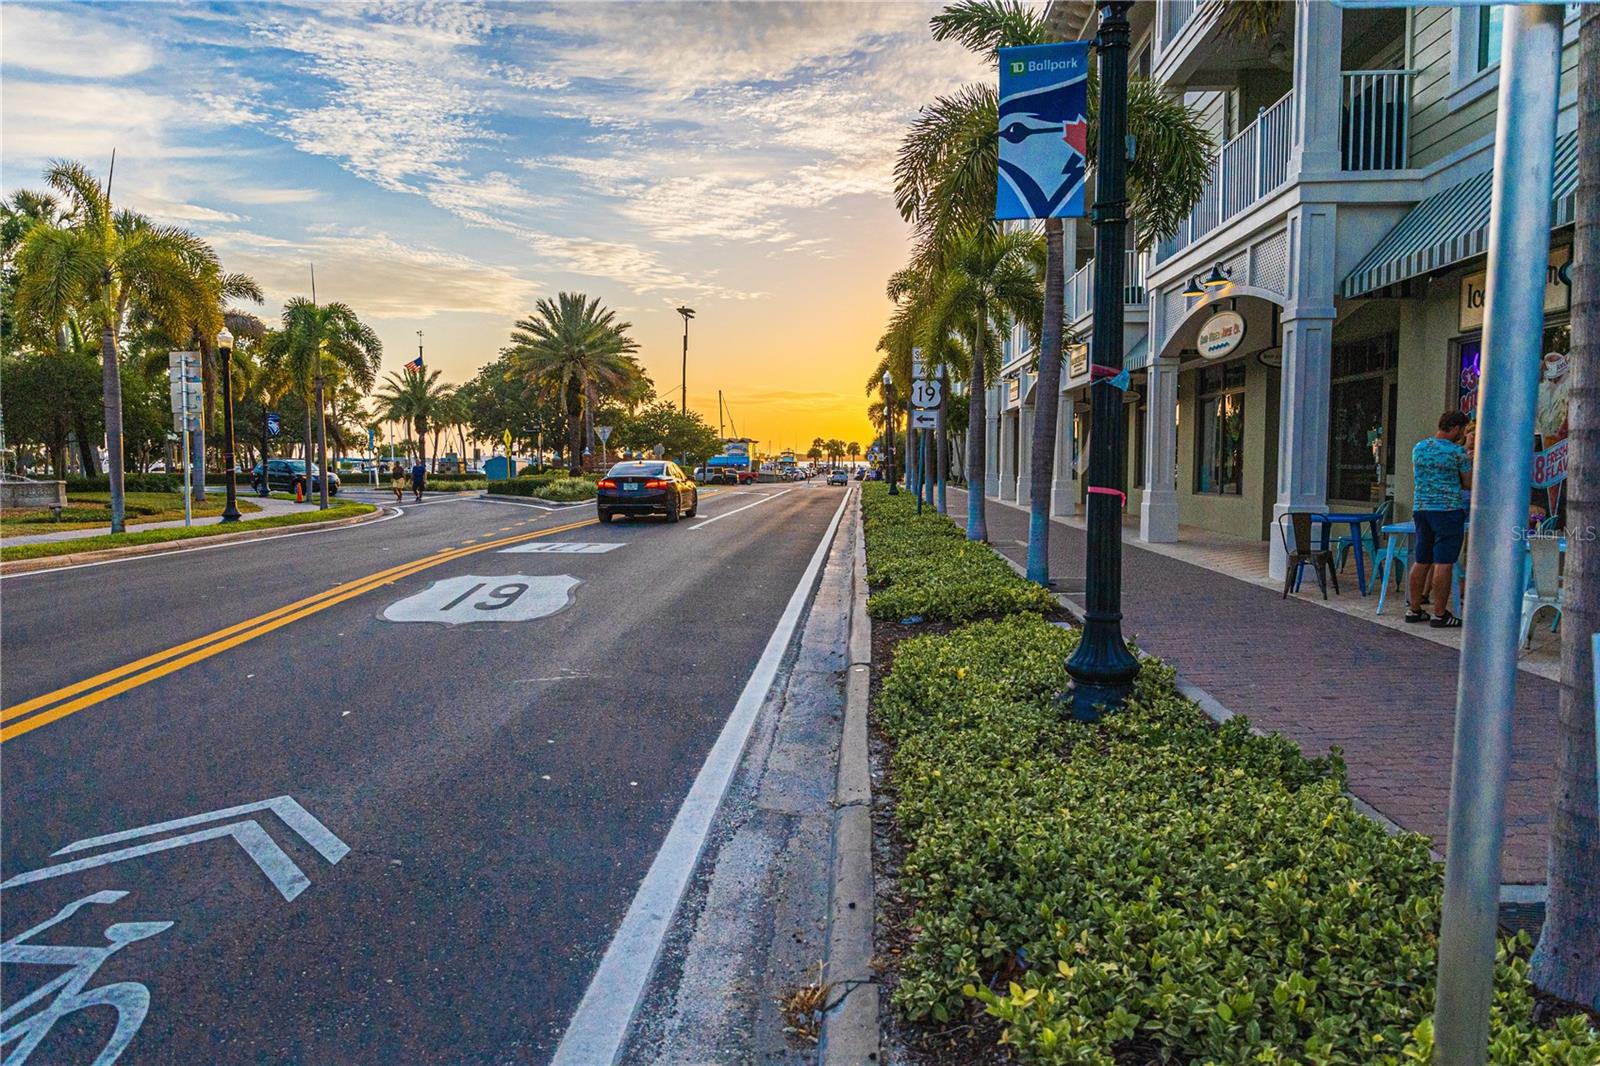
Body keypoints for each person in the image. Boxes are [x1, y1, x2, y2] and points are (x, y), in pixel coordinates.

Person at [1406, 411, 1473, 628]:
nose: (1462, 434)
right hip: (1448, 511)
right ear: (1454, 428)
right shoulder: (1456, 453)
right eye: (1462, 430)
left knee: (1422, 559)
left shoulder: (1419, 448)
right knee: (1444, 563)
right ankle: (1440, 613)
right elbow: (1468, 483)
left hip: (1422, 509)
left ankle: (1414, 609)